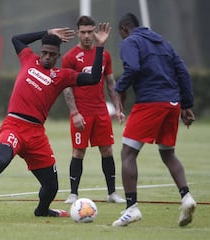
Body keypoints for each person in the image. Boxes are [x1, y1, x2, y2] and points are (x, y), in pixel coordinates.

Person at [0, 23, 111, 221]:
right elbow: (17, 39)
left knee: (51, 186)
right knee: (0, 161)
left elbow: (93, 78)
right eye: (45, 52)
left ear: (58, 56)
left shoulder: (62, 75)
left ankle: (42, 210)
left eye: (52, 54)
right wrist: (46, 33)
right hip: (14, 125)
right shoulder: (29, 59)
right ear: (40, 52)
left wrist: (99, 46)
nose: (47, 56)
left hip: (36, 134)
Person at [111, 13, 196, 227]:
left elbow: (133, 68)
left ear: (124, 30)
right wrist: (186, 105)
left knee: (128, 153)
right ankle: (186, 197)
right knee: (168, 153)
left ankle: (131, 208)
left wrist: (119, 89)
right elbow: (183, 72)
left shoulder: (130, 41)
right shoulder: (164, 43)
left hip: (150, 102)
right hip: (172, 104)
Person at [61, 16, 125, 204]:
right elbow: (67, 87)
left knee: (107, 150)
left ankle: (112, 193)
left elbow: (111, 84)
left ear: (95, 31)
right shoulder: (70, 57)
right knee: (78, 152)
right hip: (82, 112)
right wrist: (75, 113)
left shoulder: (104, 55)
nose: (87, 36)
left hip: (101, 112)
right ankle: (73, 194)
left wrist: (118, 107)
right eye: (83, 32)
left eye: (90, 31)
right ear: (78, 33)